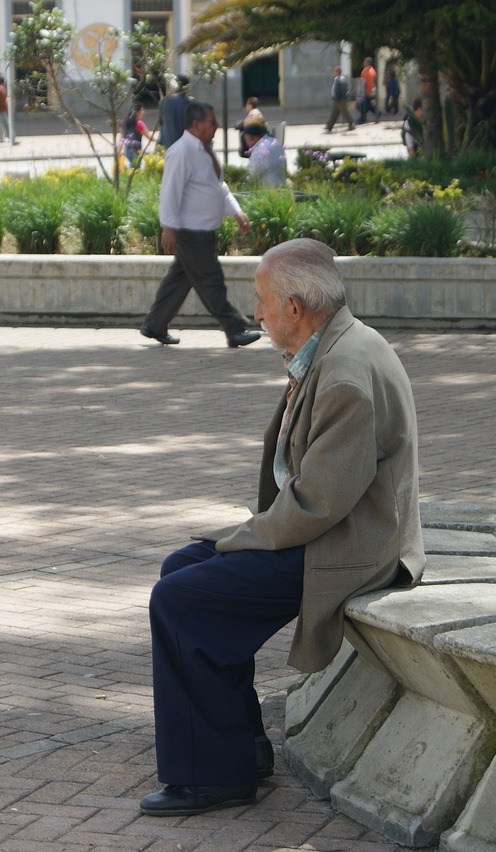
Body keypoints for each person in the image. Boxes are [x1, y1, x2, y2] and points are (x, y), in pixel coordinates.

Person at [139, 237, 425, 817]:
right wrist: (236, 540)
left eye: (263, 300)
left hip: (351, 546)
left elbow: (319, 503)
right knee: (182, 570)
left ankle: (214, 776)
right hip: (331, 528)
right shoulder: (333, 344)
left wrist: (240, 538)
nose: (257, 314)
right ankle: (240, 743)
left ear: (295, 307)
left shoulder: (346, 371)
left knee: (181, 599)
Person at [139, 102, 261, 349]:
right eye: (211, 122)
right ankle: (235, 328)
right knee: (211, 280)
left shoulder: (204, 150)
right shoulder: (181, 151)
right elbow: (169, 193)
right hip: (190, 232)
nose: (216, 126)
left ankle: (155, 323)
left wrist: (236, 212)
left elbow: (217, 187)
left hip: (201, 230)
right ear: (196, 124)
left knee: (180, 279)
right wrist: (169, 229)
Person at [242, 120, 287, 186]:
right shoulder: (275, 142)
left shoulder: (258, 151)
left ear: (251, 138)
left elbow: (252, 178)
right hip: (282, 189)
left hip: (267, 192)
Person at [158, 74, 191, 149]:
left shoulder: (163, 102)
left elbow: (161, 123)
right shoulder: (189, 103)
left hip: (166, 144)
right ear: (186, 88)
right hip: (183, 146)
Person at [120, 102, 153, 169]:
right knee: (136, 170)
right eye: (142, 110)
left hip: (127, 151)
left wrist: (118, 152)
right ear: (138, 112)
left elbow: (121, 139)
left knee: (133, 169)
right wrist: (159, 140)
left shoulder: (123, 122)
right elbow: (149, 138)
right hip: (136, 151)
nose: (144, 112)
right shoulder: (139, 124)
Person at [324, 67, 354, 133]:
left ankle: (351, 124)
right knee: (334, 113)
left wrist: (337, 97)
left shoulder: (339, 80)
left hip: (339, 100)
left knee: (345, 113)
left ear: (337, 72)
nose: (333, 73)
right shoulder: (341, 79)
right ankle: (329, 126)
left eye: (334, 71)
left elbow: (340, 90)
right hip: (338, 99)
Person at [357, 57, 378, 124]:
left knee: (362, 106)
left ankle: (362, 118)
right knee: (368, 105)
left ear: (367, 63)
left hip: (366, 92)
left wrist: (362, 92)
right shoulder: (372, 70)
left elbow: (363, 82)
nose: (363, 63)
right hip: (371, 91)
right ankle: (377, 113)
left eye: (365, 61)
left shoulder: (365, 71)